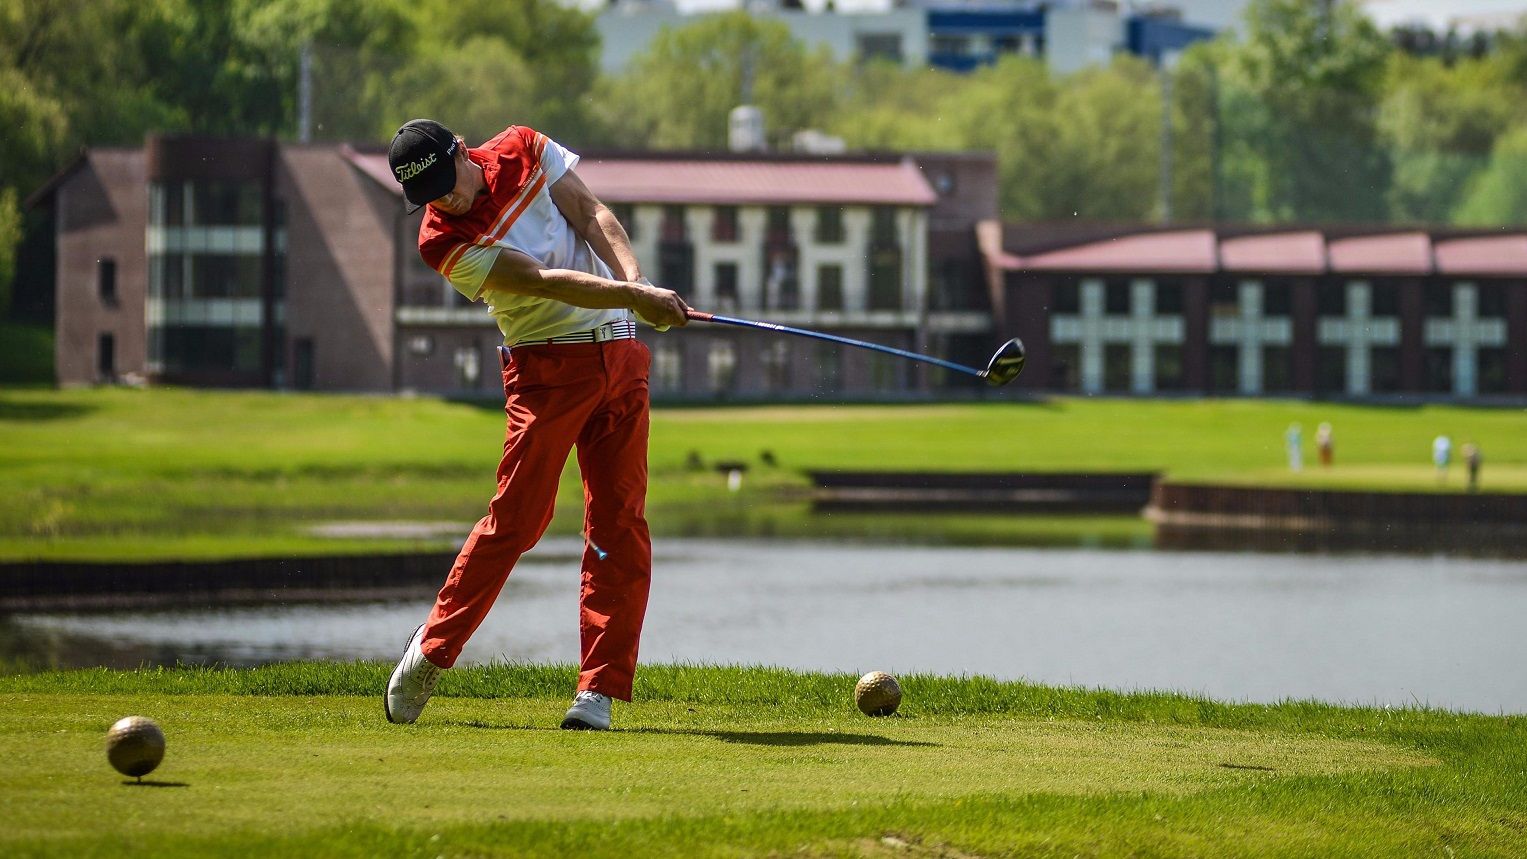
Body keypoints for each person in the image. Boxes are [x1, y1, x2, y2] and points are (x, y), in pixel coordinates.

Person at [382, 118, 690, 731]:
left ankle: (598, 689)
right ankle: (432, 651)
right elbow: (540, 282)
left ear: (461, 151)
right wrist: (634, 298)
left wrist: (637, 283)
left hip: (620, 355)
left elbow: (590, 212)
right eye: (430, 195)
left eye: (447, 183)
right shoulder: (440, 241)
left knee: (620, 521)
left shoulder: (523, 147)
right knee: (518, 521)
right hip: (546, 370)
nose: (446, 200)